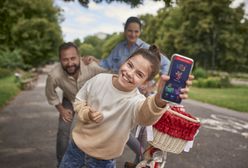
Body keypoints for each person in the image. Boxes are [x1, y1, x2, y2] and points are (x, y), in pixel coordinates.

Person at [59, 45, 193, 168]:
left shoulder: (137, 101)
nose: (130, 73)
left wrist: (159, 99)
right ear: (124, 61)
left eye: (139, 74)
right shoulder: (99, 79)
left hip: (103, 160)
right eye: (130, 65)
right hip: (75, 149)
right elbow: (79, 100)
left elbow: (145, 117)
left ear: (145, 82)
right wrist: (86, 113)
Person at [83, 16, 171, 165]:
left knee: (142, 132)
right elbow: (107, 63)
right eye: (130, 31)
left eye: (136, 31)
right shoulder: (119, 48)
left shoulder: (146, 48)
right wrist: (94, 59)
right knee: (121, 128)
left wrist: (152, 84)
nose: (133, 34)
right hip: (122, 96)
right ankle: (142, 158)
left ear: (140, 32)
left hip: (141, 97)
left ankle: (141, 161)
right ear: (125, 31)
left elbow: (166, 64)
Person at [45, 42, 106, 167]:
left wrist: (98, 60)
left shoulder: (91, 66)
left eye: (73, 58)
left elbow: (111, 73)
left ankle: (93, 161)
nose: (70, 63)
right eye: (65, 60)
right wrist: (61, 109)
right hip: (69, 100)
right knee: (63, 130)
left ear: (79, 56)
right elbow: (51, 93)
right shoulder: (54, 74)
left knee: (99, 129)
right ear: (60, 60)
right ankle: (62, 163)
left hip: (91, 101)